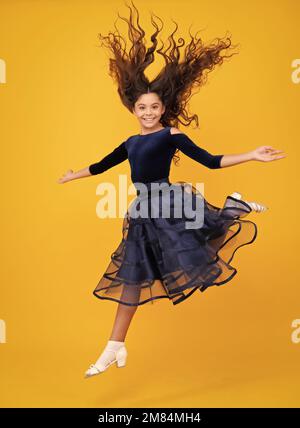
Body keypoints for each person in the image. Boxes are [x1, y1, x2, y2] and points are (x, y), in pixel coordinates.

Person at [57, 1, 286, 378]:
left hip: (167, 202)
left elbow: (210, 161)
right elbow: (101, 166)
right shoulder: (130, 142)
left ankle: (235, 206)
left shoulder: (171, 135)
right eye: (142, 107)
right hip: (142, 212)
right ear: (134, 110)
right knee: (133, 274)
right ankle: (115, 345)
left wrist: (251, 155)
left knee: (196, 251)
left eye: (154, 107)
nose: (148, 112)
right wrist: (73, 175)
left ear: (163, 110)